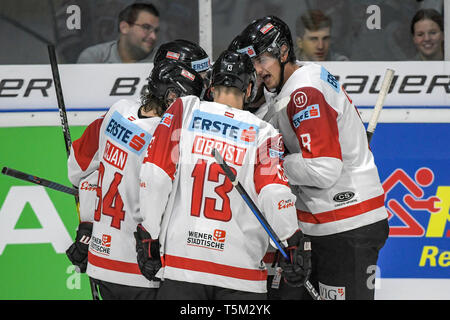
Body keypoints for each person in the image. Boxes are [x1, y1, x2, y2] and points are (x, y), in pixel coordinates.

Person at [232, 16, 389, 300]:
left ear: (283, 52)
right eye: (253, 63)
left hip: (346, 224)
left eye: (262, 60)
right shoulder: (298, 80)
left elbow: (323, 169)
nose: (258, 70)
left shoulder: (305, 93)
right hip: (323, 223)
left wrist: (272, 164)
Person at [138, 50, 311, 300]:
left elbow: (155, 176)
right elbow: (274, 193)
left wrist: (149, 235)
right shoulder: (265, 133)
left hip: (184, 269)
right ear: (250, 88)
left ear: (210, 85)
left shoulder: (184, 110)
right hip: (241, 275)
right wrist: (291, 242)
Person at [65, 59, 204, 300]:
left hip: (101, 260)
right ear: (172, 96)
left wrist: (86, 226)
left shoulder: (117, 109)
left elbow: (79, 171)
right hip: (139, 267)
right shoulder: (167, 138)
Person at [77, 3, 160, 63]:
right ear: (124, 27)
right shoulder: (95, 57)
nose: (153, 36)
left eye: (155, 31)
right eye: (146, 27)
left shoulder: (161, 60)